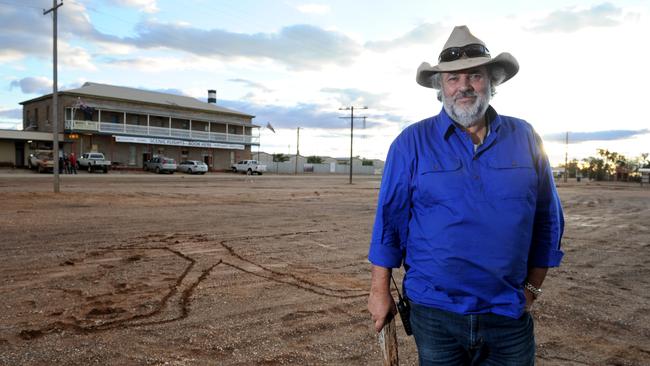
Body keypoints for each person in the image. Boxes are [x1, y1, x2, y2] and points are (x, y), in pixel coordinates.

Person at [367, 25, 564, 365]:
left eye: (474, 75)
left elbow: (548, 219)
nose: (464, 87)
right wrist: (379, 291)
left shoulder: (526, 137)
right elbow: (390, 223)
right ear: (439, 88)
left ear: (492, 82)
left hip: (507, 313)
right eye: (453, 79)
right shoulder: (411, 142)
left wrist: (532, 289)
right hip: (434, 314)